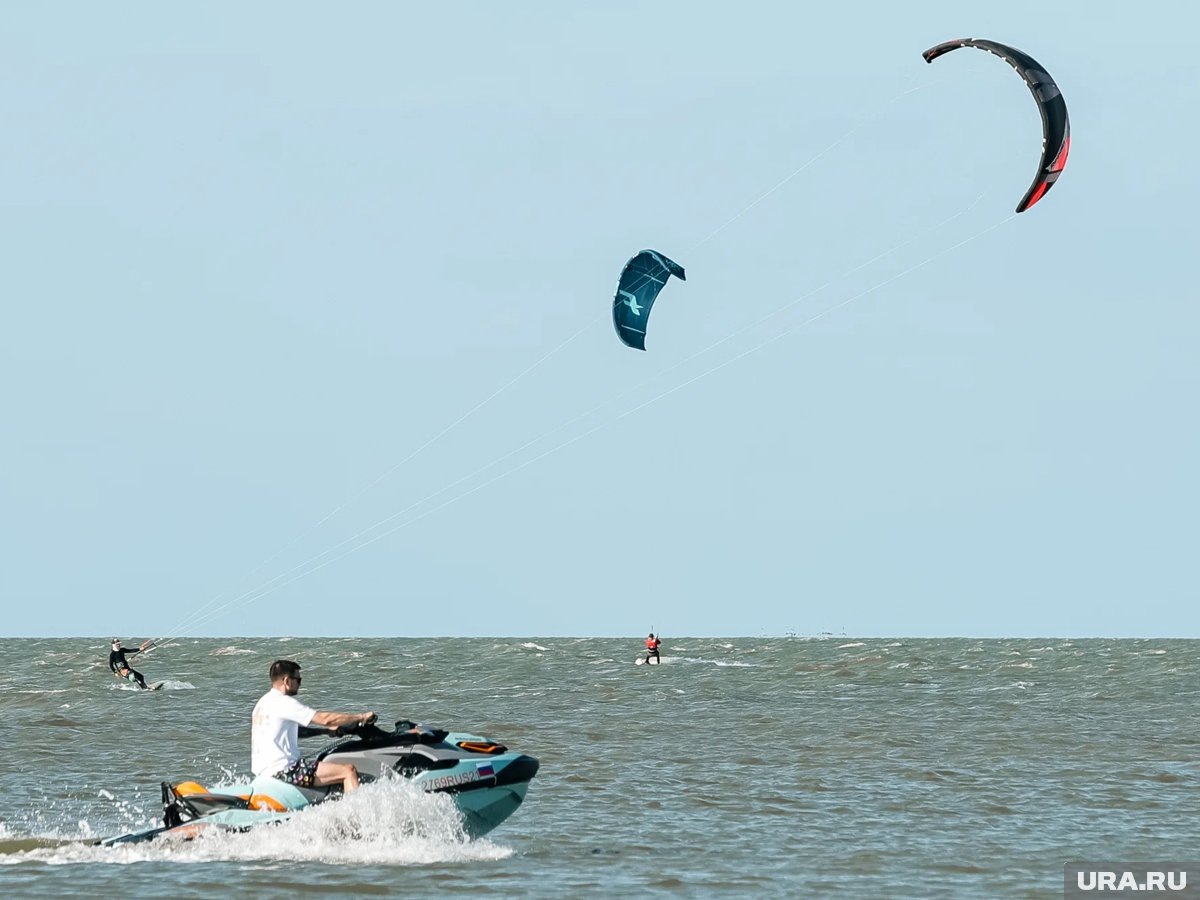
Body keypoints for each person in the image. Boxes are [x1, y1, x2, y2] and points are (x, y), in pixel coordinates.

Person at [251, 659, 377, 794]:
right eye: (298, 680)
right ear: (287, 681)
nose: (299, 684)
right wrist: (361, 717)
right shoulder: (284, 702)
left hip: (263, 773)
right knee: (348, 771)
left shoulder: (262, 704)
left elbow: (297, 731)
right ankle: (355, 808)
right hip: (286, 770)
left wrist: (326, 732)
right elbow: (325, 719)